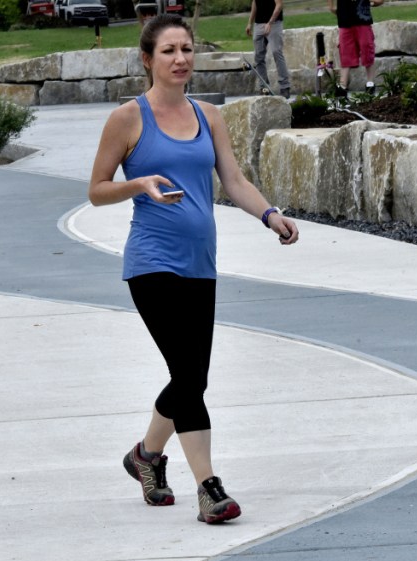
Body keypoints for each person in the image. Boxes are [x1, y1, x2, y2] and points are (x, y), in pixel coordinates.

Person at [88, 14, 299, 525]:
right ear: (147, 59)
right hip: (151, 262)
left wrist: (270, 215)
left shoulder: (209, 116)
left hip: (201, 265)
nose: (181, 59)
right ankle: (209, 487)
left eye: (186, 49)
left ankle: (145, 457)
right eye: (169, 51)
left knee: (191, 378)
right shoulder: (127, 119)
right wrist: (139, 185)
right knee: (188, 375)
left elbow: (234, 179)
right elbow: (96, 191)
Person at [328, 0, 384, 99]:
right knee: (345, 50)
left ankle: (370, 82)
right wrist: (331, 6)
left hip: (362, 17)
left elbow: (379, 1)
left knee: (366, 47)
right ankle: (343, 85)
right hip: (345, 18)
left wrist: (375, 2)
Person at [246, 0, 291, 99]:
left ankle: (285, 87)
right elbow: (255, 2)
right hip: (259, 24)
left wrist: (270, 23)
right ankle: (264, 87)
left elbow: (279, 5)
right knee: (258, 57)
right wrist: (250, 22)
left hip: (274, 23)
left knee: (276, 52)